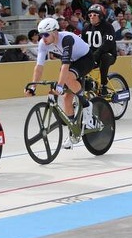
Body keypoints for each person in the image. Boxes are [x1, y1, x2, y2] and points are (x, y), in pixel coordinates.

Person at [25, 17, 95, 149]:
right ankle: (73, 133)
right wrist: (33, 86)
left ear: (55, 32)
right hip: (71, 63)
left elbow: (65, 66)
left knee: (66, 78)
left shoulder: (66, 39)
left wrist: (60, 85)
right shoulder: (43, 43)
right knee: (66, 98)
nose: (43, 38)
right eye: (41, 35)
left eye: (46, 35)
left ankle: (87, 105)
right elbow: (39, 67)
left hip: (85, 59)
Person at [81, 4, 117, 96]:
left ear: (101, 16)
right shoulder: (86, 28)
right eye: (90, 15)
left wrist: (96, 54)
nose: (91, 17)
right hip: (92, 55)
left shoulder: (108, 27)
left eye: (94, 15)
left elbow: (107, 44)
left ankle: (104, 85)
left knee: (104, 58)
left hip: (108, 54)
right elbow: (82, 43)